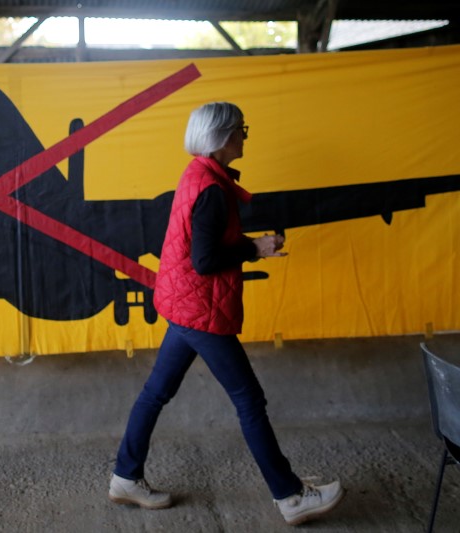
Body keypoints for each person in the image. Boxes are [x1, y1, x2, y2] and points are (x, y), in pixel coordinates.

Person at [108, 102, 344, 526]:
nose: (245, 136)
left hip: (184, 304)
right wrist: (255, 248)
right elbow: (205, 259)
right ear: (222, 137)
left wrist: (251, 245)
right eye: (241, 129)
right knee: (249, 400)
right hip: (200, 308)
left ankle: (125, 477)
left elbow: (204, 248)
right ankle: (290, 497)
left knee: (156, 393)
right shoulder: (212, 189)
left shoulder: (199, 175)